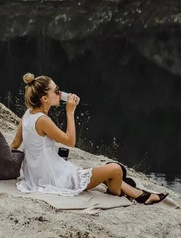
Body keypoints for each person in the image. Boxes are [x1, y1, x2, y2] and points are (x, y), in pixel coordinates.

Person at [10, 72, 168, 205]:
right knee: (115, 169)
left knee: (104, 170)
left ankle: (136, 193)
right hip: (53, 179)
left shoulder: (27, 114)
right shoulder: (43, 120)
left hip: (38, 176)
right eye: (56, 90)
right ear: (45, 98)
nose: (60, 93)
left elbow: (15, 144)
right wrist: (70, 112)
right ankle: (125, 192)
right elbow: (70, 141)